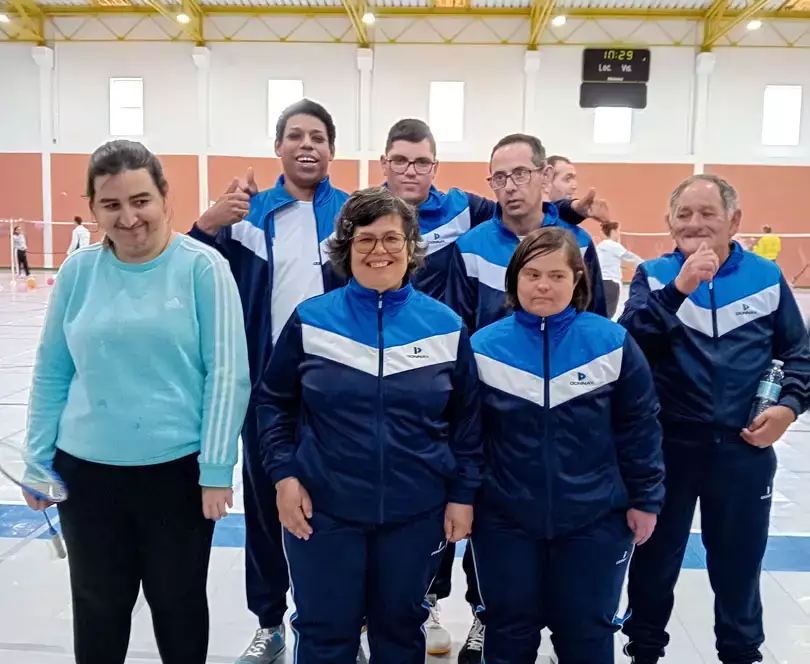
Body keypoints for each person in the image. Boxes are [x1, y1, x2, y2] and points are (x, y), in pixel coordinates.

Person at [22, 139, 250, 664]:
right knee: (98, 609)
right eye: (111, 204)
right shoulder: (79, 271)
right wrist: (37, 459)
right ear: (94, 206)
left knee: (179, 607)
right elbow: (54, 368)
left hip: (177, 476)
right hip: (86, 476)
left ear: (165, 197)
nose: (128, 218)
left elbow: (227, 374)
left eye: (140, 200)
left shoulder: (203, 268)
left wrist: (216, 469)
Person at [256, 186, 483, 664]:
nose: (379, 250)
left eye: (392, 239)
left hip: (414, 514)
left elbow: (467, 422)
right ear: (346, 246)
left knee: (400, 632)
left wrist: (462, 495)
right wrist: (284, 475)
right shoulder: (312, 320)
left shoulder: (445, 326)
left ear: (410, 247)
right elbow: (273, 403)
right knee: (324, 633)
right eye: (365, 240)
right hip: (324, 511)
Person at [618, 174, 810, 664]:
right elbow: (628, 349)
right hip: (668, 451)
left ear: (734, 222)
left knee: (739, 568)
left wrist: (789, 406)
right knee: (654, 565)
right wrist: (678, 291)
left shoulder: (766, 278)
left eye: (708, 214)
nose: (696, 224)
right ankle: (643, 652)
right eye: (684, 215)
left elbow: (800, 354)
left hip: (744, 452)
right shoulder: (654, 276)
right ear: (670, 224)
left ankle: (742, 655)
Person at [188, 98, 349, 664]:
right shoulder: (248, 215)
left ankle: (333, 626)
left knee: (335, 512)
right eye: (296, 136)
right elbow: (194, 269)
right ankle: (271, 622)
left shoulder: (351, 215)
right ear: (278, 146)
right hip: (267, 395)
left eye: (319, 137)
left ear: (332, 149)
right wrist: (209, 222)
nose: (308, 145)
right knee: (264, 509)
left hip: (339, 396)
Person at [470, 226, 665, 664]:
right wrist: (463, 500)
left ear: (577, 281)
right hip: (505, 521)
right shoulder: (483, 348)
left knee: (586, 635)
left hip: (595, 521)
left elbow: (640, 427)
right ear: (514, 279)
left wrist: (646, 498)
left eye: (557, 276)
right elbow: (467, 437)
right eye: (532, 273)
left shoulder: (611, 344)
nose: (543, 285)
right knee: (508, 632)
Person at [380, 120, 608, 305]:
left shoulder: (461, 209)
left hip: (433, 339)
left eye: (421, 162)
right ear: (384, 163)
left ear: (434, 167)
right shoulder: (362, 216)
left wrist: (569, 211)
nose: (410, 172)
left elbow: (519, 211)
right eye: (399, 161)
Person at [447, 133, 607, 332]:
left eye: (520, 174)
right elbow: (460, 332)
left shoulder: (580, 244)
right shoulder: (470, 248)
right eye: (499, 178)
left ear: (546, 176)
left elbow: (595, 324)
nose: (510, 187)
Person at [597, 221, 644, 319]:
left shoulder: (600, 246)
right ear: (613, 231)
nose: (619, 234)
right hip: (611, 283)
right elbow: (629, 256)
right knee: (609, 312)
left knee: (601, 311)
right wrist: (645, 264)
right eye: (618, 231)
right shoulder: (613, 245)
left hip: (600, 282)